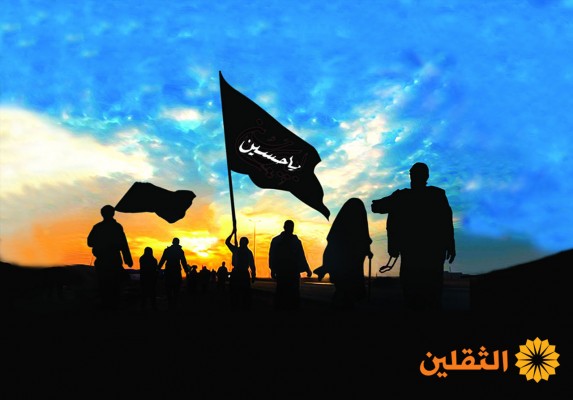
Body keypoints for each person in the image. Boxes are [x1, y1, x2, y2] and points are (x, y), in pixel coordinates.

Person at [371, 162, 456, 311]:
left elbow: (375, 207)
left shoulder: (404, 197)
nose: (413, 177)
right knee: (429, 294)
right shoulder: (436, 195)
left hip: (416, 254)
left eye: (414, 174)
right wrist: (450, 245)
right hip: (431, 253)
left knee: (415, 294)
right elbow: (447, 223)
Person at [314, 198, 374, 309]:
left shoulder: (340, 227)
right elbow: (363, 237)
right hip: (348, 264)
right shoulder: (356, 223)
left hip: (348, 263)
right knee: (345, 288)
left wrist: (367, 250)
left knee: (344, 289)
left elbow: (362, 237)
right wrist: (367, 249)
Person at [87, 204, 133, 309]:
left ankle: (107, 306)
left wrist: (100, 243)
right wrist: (128, 260)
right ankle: (112, 307)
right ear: (113, 214)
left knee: (104, 285)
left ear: (102, 214)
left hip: (103, 261)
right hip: (114, 260)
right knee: (114, 286)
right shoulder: (117, 227)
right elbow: (124, 244)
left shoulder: (98, 227)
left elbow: (90, 242)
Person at [269, 220, 312, 310]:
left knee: (289, 292)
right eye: (289, 227)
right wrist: (272, 269)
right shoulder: (278, 241)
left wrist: (307, 269)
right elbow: (272, 255)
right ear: (284, 227)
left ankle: (288, 310)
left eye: (291, 227)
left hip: (291, 270)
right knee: (285, 292)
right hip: (284, 270)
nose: (290, 229)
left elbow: (301, 255)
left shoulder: (293, 241)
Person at [225, 229, 256, 310]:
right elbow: (227, 242)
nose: (242, 243)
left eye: (243, 242)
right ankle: (235, 306)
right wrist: (232, 233)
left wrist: (253, 275)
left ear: (246, 243)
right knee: (234, 291)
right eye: (241, 242)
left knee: (245, 292)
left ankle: (244, 307)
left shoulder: (248, 252)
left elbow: (252, 264)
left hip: (244, 273)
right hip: (236, 272)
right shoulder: (235, 250)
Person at [158, 237, 188, 310]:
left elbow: (162, 260)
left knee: (169, 289)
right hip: (176, 272)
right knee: (176, 289)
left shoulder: (168, 250)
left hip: (169, 271)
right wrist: (186, 271)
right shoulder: (180, 251)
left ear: (172, 242)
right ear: (178, 243)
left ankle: (170, 304)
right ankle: (174, 304)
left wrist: (158, 268)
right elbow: (183, 262)